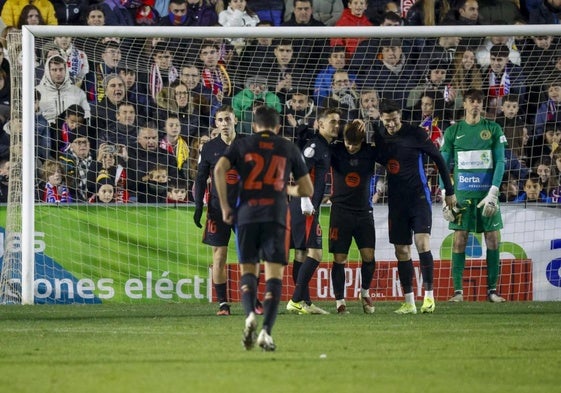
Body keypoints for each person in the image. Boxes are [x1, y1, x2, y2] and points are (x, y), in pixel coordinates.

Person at [213, 105, 313, 351]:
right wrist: (286, 189)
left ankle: (249, 317)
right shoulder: (288, 147)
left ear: (254, 126)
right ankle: (266, 331)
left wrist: (225, 206)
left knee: (248, 270)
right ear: (277, 127)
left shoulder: (242, 144)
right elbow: (307, 190)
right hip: (276, 216)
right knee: (273, 276)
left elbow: (218, 169)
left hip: (246, 215)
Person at [376, 99, 455, 314]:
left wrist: (449, 191)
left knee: (422, 243)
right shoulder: (379, 136)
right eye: (386, 121)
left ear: (399, 116)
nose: (390, 124)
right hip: (396, 201)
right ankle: (409, 302)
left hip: (419, 197)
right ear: (381, 118)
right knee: (401, 250)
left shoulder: (416, 134)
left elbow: (438, 158)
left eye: (393, 120)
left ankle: (429, 297)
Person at [440, 88, 507, 303]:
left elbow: (500, 162)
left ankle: (492, 291)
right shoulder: (453, 132)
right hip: (462, 196)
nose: (476, 104)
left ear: (482, 104)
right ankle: (458, 292)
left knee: (493, 240)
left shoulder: (494, 129)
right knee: (459, 240)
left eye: (479, 101)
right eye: (472, 101)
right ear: (465, 104)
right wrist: (445, 197)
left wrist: (494, 193)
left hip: (487, 195)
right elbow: (443, 164)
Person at [285, 108, 341, 315]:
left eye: (338, 122)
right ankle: (296, 300)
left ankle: (305, 303)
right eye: (332, 122)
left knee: (301, 254)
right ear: (320, 123)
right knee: (316, 254)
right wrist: (306, 201)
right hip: (304, 207)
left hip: (307, 206)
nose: (336, 125)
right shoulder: (315, 146)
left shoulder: (324, 146)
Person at [193, 106, 243, 316]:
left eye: (227, 119)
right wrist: (198, 205)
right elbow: (200, 177)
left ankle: (253, 299)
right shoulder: (209, 148)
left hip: (244, 208)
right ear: (216, 123)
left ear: (235, 121)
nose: (224, 123)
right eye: (220, 120)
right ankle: (223, 303)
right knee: (219, 256)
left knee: (249, 256)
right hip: (217, 208)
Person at [329, 119, 378, 314]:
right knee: (340, 257)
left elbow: (382, 138)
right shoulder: (336, 150)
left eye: (355, 145)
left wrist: (372, 121)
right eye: (348, 143)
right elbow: (329, 131)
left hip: (364, 212)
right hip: (340, 211)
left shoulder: (370, 151)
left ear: (362, 142)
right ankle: (340, 302)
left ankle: (364, 292)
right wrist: (345, 127)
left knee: (368, 256)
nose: (350, 147)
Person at [36, 55, 91, 125]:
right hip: (46, 133)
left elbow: (87, 117)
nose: (58, 73)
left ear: (66, 70)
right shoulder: (37, 92)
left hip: (72, 133)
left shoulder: (78, 92)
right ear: (47, 71)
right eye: (54, 70)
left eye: (61, 69)